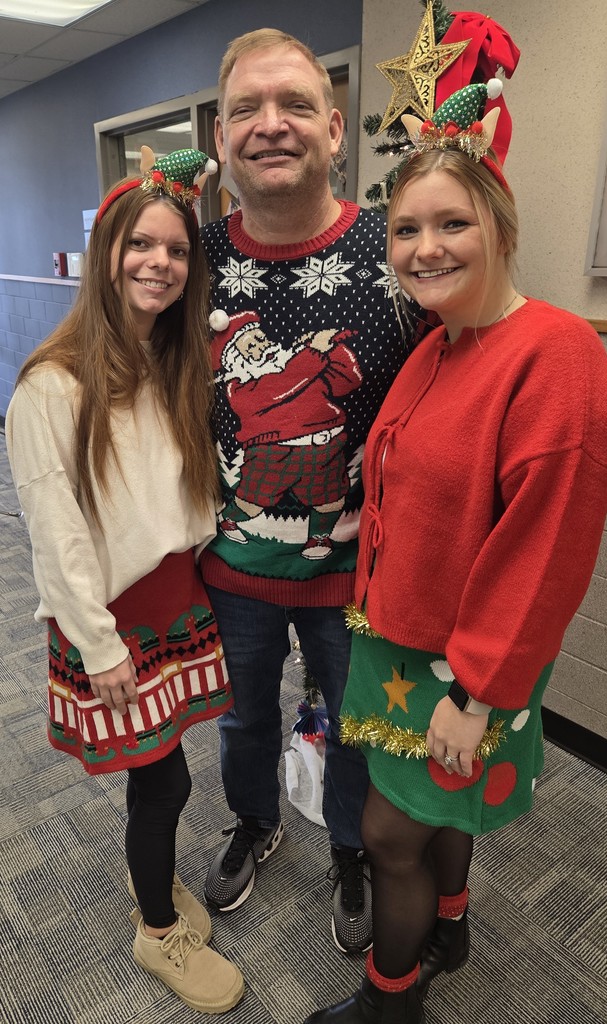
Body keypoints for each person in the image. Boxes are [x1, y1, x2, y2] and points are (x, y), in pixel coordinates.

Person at [304, 89, 607, 1021]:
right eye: (404, 228)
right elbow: (433, 475)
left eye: (452, 222)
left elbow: (547, 548)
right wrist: (375, 519)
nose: (424, 247)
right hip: (400, 633)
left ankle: (390, 1003)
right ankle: (450, 923)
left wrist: (479, 693)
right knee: (430, 818)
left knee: (387, 833)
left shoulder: (555, 354)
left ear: (501, 225)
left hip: (466, 661)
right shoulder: (442, 344)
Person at [200, 28, 432, 954]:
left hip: (363, 576)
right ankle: (256, 821)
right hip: (233, 566)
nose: (271, 126)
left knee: (358, 729)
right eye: (247, 109)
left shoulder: (400, 248)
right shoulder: (194, 262)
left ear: (337, 131)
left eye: (294, 104)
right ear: (221, 139)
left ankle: (351, 847)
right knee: (244, 717)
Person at [6, 148, 245, 1015]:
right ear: (106, 251)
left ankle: (154, 884)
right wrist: (97, 645)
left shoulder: (169, 359)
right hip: (112, 619)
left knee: (169, 772)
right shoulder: (51, 385)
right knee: (167, 781)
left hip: (176, 597)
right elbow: (55, 534)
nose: (159, 263)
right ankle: (154, 928)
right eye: (140, 244)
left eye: (177, 250)